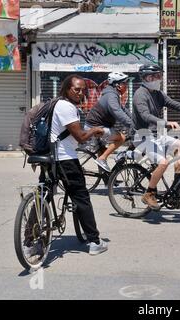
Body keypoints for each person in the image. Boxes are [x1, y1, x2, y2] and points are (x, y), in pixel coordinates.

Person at [132, 64, 180, 210]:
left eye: (159, 75)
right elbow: (145, 115)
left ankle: (176, 188)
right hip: (142, 136)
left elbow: (176, 104)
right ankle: (149, 193)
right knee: (163, 163)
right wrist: (166, 123)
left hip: (156, 135)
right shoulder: (140, 94)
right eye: (156, 76)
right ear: (147, 77)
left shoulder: (157, 93)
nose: (159, 79)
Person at [51, 74, 108, 255]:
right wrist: (95, 130)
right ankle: (94, 242)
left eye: (83, 89)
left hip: (49, 157)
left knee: (44, 195)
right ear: (67, 89)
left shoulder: (54, 104)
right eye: (76, 89)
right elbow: (80, 137)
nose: (80, 92)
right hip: (65, 159)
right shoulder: (67, 107)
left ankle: (30, 241)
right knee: (81, 198)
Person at [84, 72, 134, 172]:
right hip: (95, 127)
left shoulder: (113, 95)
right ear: (118, 85)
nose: (126, 86)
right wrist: (132, 125)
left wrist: (136, 121)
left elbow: (123, 110)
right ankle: (102, 159)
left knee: (102, 151)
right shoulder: (111, 96)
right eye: (124, 84)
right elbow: (118, 112)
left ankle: (107, 180)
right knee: (121, 138)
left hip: (96, 126)